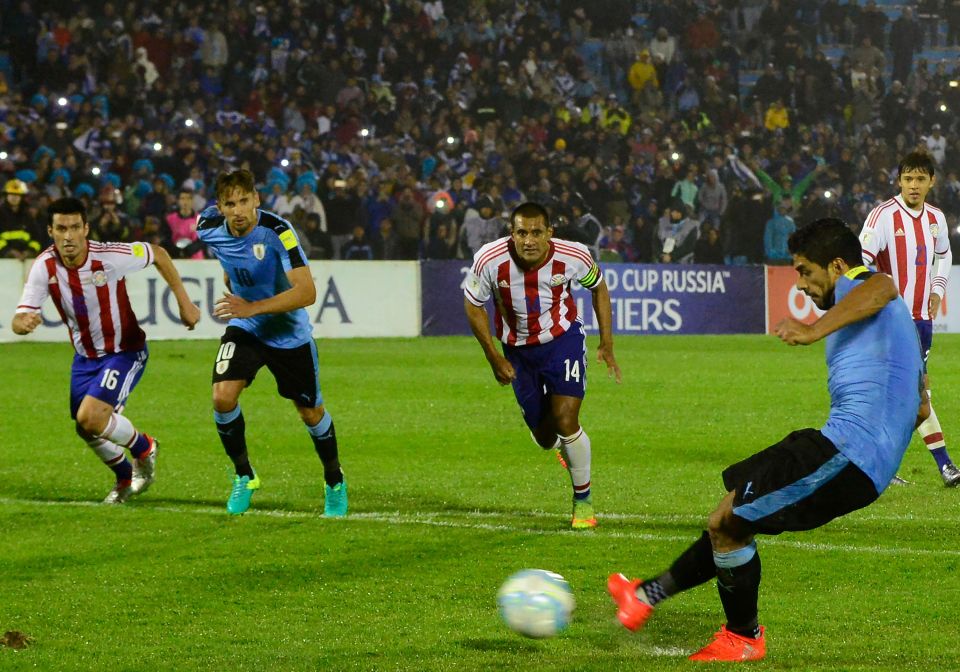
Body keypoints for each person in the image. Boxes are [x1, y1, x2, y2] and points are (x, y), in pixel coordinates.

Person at [609, 217, 927, 661]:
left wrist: (813, 332)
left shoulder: (866, 286)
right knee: (729, 516)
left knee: (730, 523)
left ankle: (743, 637)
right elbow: (921, 407)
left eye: (805, 271)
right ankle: (645, 597)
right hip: (842, 446)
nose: (800, 285)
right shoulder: (895, 328)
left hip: (847, 452)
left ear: (837, 266)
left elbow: (883, 287)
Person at [11, 197, 200, 503]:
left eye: (75, 227)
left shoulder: (110, 255)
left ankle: (145, 447)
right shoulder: (44, 266)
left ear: (86, 228)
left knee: (90, 417)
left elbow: (159, 254)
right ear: (51, 231)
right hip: (85, 358)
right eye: (61, 228)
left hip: (125, 351)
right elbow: (20, 317)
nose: (69, 236)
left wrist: (185, 302)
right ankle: (125, 477)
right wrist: (24, 322)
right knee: (86, 429)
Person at [196, 169, 347, 516]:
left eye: (244, 201)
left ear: (257, 199)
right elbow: (227, 257)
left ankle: (334, 479)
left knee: (310, 413)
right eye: (229, 204)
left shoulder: (279, 232)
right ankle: (244, 475)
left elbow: (307, 292)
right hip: (246, 328)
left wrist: (252, 304)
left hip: (287, 332)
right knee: (222, 397)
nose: (237, 211)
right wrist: (240, 294)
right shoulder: (208, 226)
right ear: (219, 206)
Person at [462, 202, 621, 529]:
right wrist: (494, 357)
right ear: (512, 232)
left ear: (550, 233)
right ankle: (566, 446)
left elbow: (599, 288)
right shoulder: (489, 260)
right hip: (517, 351)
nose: (529, 240)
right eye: (522, 232)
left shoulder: (574, 255)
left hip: (563, 339)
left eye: (536, 232)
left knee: (566, 419)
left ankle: (583, 502)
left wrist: (607, 341)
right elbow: (473, 304)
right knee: (546, 438)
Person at [859, 151, 960, 486]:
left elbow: (944, 256)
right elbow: (861, 262)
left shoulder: (936, 219)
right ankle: (945, 465)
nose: (913, 186)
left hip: (921, 323)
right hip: (890, 324)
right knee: (914, 395)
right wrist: (879, 302)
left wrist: (937, 289)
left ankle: (878, 465)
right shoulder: (883, 217)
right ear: (899, 181)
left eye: (920, 179)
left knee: (906, 396)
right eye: (907, 179)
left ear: (931, 181)